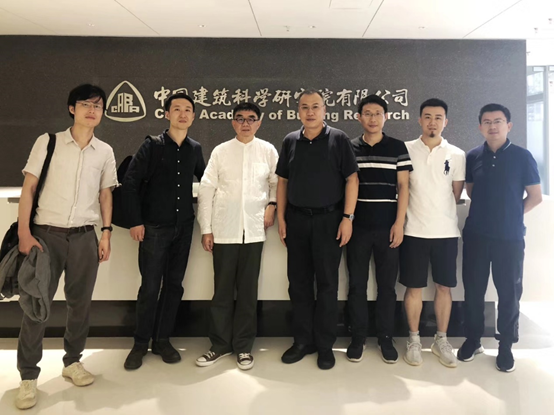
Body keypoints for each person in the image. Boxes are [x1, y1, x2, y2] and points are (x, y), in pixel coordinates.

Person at [15, 84, 118, 410]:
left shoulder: (104, 151)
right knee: (36, 305)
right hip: (45, 236)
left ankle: (72, 361)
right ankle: (28, 376)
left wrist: (105, 233)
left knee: (80, 304)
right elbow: (29, 188)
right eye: (86, 104)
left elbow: (105, 194)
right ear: (72, 108)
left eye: (98, 106)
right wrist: (24, 233)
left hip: (85, 236)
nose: (92, 110)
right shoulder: (48, 142)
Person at [276, 89, 359, 370]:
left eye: (315, 106)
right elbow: (283, 181)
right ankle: (302, 341)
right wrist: (282, 218)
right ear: (298, 111)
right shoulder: (290, 140)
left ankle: (325, 345)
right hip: (297, 220)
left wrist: (347, 217)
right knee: (298, 284)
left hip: (329, 221)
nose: (310, 112)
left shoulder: (338, 139)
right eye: (304, 107)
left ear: (325, 110)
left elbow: (352, 179)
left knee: (326, 285)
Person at [123, 93, 205, 370]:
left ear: (193, 116)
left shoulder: (195, 148)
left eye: (188, 110)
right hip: (154, 228)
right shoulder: (152, 146)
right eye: (177, 109)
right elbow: (130, 183)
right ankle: (139, 344)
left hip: (184, 227)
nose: (183, 114)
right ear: (167, 114)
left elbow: (208, 182)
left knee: (174, 286)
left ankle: (162, 340)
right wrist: (135, 221)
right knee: (149, 287)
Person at [458, 103, 542, 372]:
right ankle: (473, 339)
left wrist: (511, 214)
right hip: (476, 236)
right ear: (480, 126)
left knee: (509, 293)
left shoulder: (522, 156)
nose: (492, 126)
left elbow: (535, 196)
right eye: (487, 121)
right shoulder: (473, 156)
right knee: (473, 290)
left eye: (498, 121)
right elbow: (471, 191)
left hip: (510, 238)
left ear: (509, 125)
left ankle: (506, 345)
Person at [195, 103, 278, 370]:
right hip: (224, 231)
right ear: (233, 122)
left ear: (259, 123)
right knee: (221, 292)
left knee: (247, 293)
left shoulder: (267, 150)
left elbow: (276, 183)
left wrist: (272, 204)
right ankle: (219, 345)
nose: (245, 123)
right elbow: (206, 189)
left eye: (251, 119)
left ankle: (243, 347)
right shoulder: (221, 151)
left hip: (253, 232)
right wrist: (206, 228)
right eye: (240, 119)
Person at [346, 95, 411, 364]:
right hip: (357, 228)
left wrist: (399, 223)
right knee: (356, 285)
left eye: (377, 113)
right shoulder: (349, 147)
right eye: (367, 113)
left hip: (388, 227)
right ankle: (358, 337)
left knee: (387, 286)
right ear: (358, 117)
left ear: (386, 117)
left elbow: (404, 187)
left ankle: (385, 337)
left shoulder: (397, 147)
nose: (373, 118)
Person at [401, 98, 465, 368]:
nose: (432, 122)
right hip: (413, 231)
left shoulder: (457, 154)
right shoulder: (405, 150)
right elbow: (402, 188)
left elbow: (456, 194)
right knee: (413, 287)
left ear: (445, 122)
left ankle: (441, 339)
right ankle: (414, 340)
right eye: (427, 117)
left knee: (444, 287)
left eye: (438, 117)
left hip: (446, 232)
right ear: (419, 120)